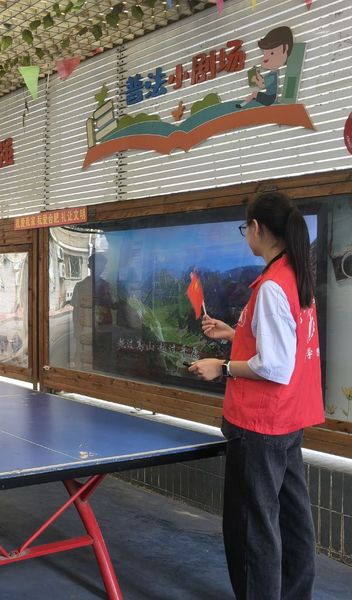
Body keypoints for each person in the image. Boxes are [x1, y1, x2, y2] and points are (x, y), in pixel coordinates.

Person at [189, 192, 323, 600]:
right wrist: (235, 333)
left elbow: (275, 367)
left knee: (252, 529)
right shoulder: (294, 275)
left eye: (245, 227)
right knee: (294, 523)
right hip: (288, 421)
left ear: (258, 228)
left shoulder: (271, 287)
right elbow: (284, 344)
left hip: (260, 426)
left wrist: (222, 366)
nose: (245, 234)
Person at [237, 26, 294, 109]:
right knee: (254, 95)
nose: (265, 58)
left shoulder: (272, 76)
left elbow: (262, 86)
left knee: (254, 94)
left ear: (285, 48)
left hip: (270, 99)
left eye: (272, 53)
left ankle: (242, 105)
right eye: (265, 54)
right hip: (270, 98)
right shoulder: (272, 75)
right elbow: (263, 81)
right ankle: (243, 105)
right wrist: (257, 74)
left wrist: (255, 79)